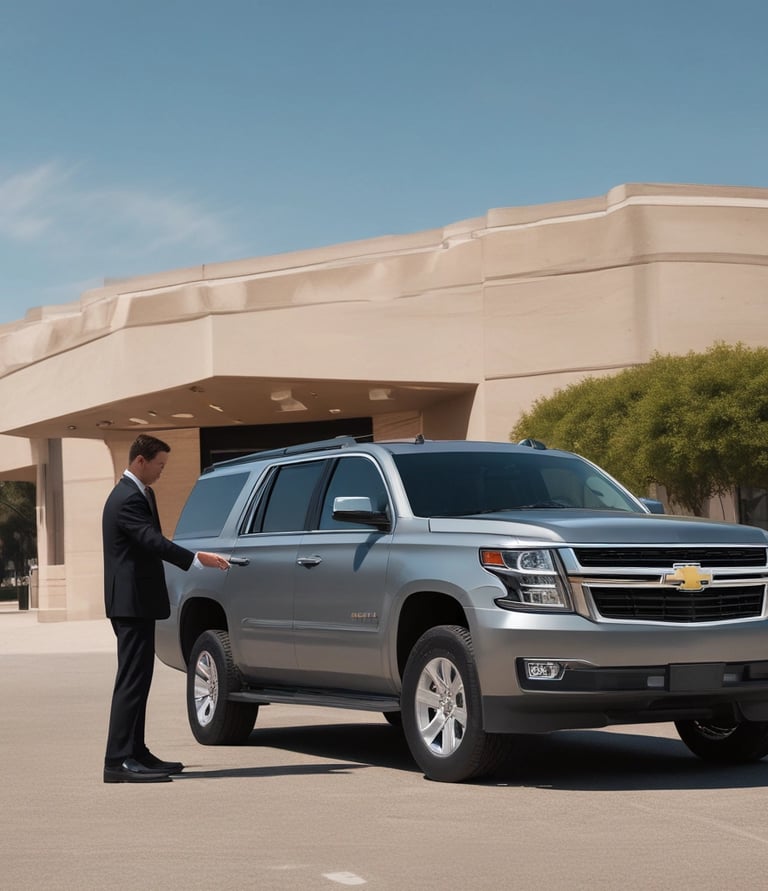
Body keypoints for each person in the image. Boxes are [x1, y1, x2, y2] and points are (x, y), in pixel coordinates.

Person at [102, 434, 229, 784]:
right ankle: (117, 762)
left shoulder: (143, 493)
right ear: (140, 461)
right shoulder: (126, 498)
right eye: (159, 465)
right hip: (129, 605)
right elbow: (151, 540)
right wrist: (195, 558)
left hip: (140, 602)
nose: (162, 472)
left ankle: (135, 752)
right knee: (130, 681)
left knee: (140, 679)